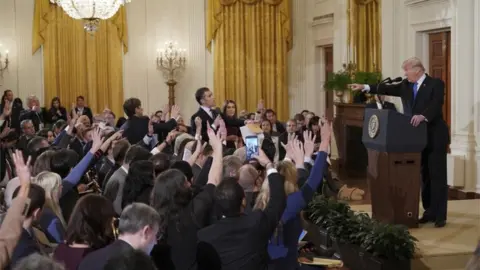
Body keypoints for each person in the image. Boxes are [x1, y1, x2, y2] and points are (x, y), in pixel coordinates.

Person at [349, 56, 449, 227]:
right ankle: (429, 211)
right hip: (415, 137)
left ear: (417, 70)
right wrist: (365, 87)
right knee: (424, 175)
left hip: (434, 136)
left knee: (437, 175)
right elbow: (387, 88)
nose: (405, 74)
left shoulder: (435, 84)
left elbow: (436, 104)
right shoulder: (405, 86)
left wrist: (423, 116)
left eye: (407, 70)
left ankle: (440, 215)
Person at [77, 203, 161, 270]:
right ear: (146, 231)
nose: (156, 242)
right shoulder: (138, 265)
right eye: (155, 235)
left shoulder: (89, 260)